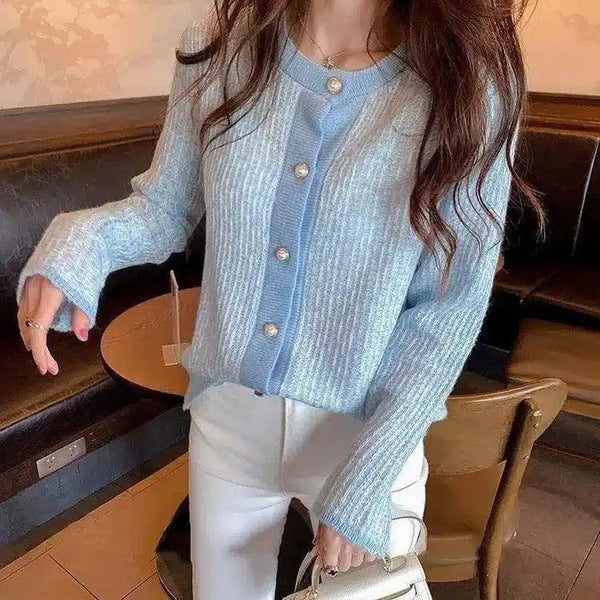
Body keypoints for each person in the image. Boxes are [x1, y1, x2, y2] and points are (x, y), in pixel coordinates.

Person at [15, 0, 543, 598]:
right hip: (229, 428)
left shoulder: (468, 80)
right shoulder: (220, 49)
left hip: (364, 441)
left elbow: (448, 309)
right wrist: (78, 243)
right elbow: (164, 207)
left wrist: (368, 476)